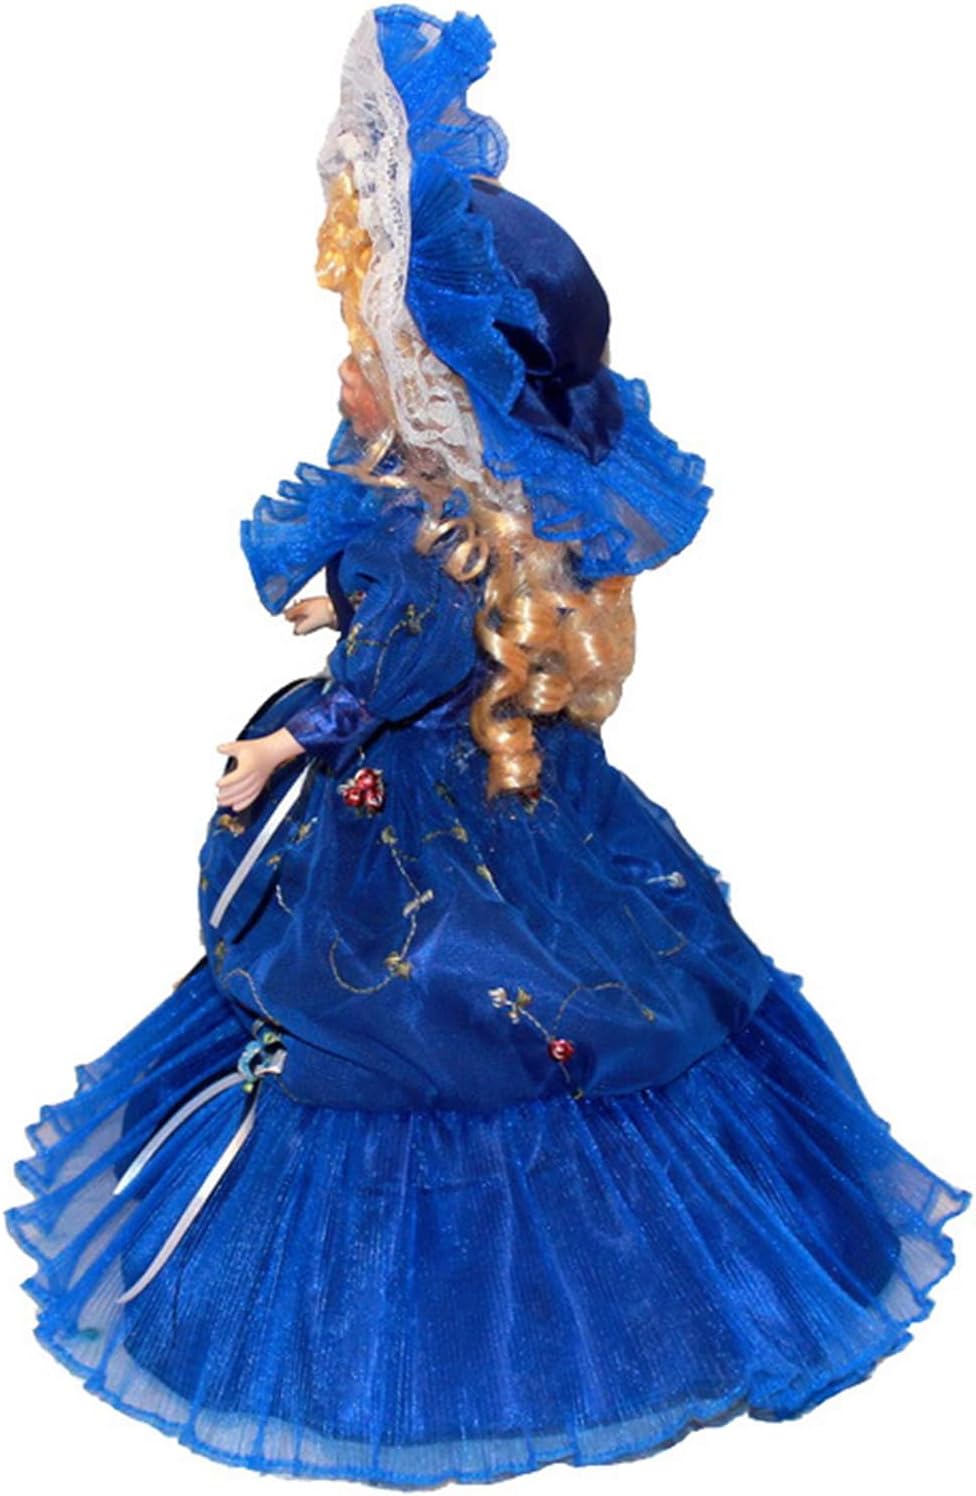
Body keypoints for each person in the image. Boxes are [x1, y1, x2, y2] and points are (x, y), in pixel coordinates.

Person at [6, 6, 969, 1486]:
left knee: (434, 1014)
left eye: (370, 357)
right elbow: (399, 628)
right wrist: (341, 596)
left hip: (424, 829)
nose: (348, 374)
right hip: (502, 795)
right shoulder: (460, 525)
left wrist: (276, 753)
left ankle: (521, 1323)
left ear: (441, 390)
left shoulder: (443, 546)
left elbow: (384, 683)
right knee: (557, 997)